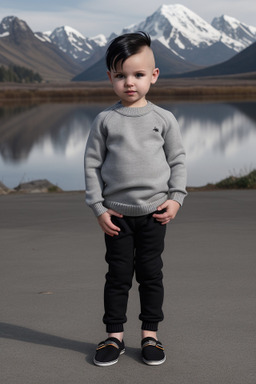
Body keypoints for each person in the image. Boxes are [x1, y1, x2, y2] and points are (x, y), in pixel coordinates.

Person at [84, 31, 187, 367]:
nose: (130, 83)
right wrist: (98, 207)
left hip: (155, 213)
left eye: (138, 75)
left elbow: (178, 162)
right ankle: (114, 336)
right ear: (110, 77)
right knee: (117, 277)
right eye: (121, 75)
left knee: (151, 274)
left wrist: (176, 199)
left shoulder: (163, 119)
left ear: (153, 76)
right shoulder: (105, 121)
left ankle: (150, 336)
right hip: (116, 216)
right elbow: (91, 166)